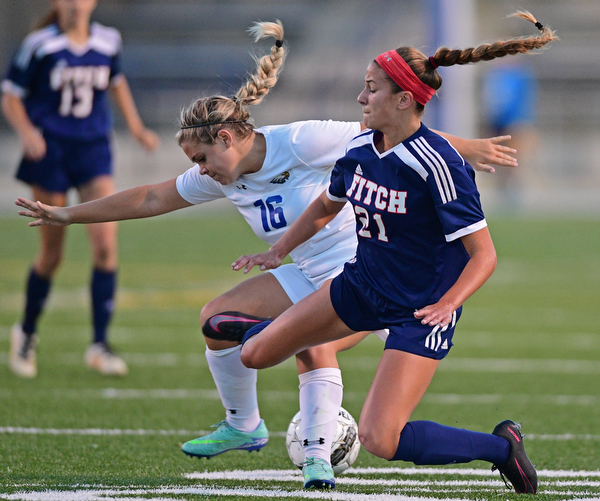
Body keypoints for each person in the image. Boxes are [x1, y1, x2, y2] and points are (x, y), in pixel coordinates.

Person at [16, 20, 519, 490]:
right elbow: (150, 197)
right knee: (219, 324)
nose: (199, 170)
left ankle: (319, 454)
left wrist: (466, 149)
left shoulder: (304, 142)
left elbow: (397, 134)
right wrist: (67, 215)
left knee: (316, 350)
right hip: (330, 277)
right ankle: (244, 426)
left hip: (378, 282)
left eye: (201, 158)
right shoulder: (225, 173)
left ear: (229, 138)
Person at [229, 11, 557, 494]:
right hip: (362, 287)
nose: (361, 98)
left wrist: (448, 305)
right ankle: (312, 361)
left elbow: (483, 255)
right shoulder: (361, 148)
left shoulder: (439, 163)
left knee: (381, 437)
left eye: (371, 88)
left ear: (404, 99)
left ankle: (502, 448)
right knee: (254, 354)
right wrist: (279, 251)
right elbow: (325, 204)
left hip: (418, 310)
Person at [2, 0, 159, 378]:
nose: (75, 4)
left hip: (92, 151)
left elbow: (116, 83)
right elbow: (11, 94)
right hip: (51, 152)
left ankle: (100, 344)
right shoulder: (40, 44)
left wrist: (136, 129)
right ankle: (26, 332)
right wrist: (27, 134)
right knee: (52, 254)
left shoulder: (108, 40)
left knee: (106, 246)